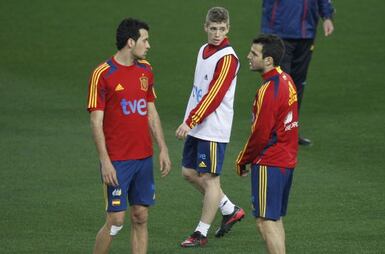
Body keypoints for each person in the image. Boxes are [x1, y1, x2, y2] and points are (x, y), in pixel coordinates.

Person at [86, 18, 171, 254]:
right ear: (130, 42)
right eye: (145, 40)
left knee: (141, 216)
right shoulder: (103, 74)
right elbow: (96, 121)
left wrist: (162, 147)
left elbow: (150, 111)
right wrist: (105, 161)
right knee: (116, 221)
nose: (149, 45)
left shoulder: (146, 69)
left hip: (143, 157)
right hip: (117, 160)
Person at [175, 6, 245, 248]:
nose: (217, 33)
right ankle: (229, 209)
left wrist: (190, 120)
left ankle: (200, 233)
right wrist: (190, 120)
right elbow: (199, 90)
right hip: (197, 125)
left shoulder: (228, 58)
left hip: (213, 128)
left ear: (228, 28)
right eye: (213, 28)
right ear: (205, 27)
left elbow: (214, 96)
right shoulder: (203, 50)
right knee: (189, 173)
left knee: (210, 178)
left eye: (222, 29)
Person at [236, 34, 299, 254]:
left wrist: (243, 159)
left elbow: (260, 135)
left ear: (269, 60)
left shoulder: (268, 91)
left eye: (254, 54)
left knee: (265, 222)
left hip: (270, 161)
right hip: (286, 160)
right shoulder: (287, 80)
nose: (248, 57)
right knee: (274, 219)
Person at [261, 0, 335, 146]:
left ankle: (289, 131)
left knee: (297, 85)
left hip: (306, 32)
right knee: (278, 85)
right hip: (279, 32)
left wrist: (327, 16)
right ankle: (270, 132)